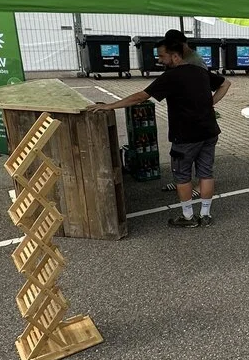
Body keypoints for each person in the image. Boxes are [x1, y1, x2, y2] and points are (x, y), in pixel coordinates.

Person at [89, 36, 230, 228]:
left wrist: (110, 106)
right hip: (209, 132)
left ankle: (188, 217)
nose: (159, 60)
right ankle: (205, 215)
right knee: (206, 173)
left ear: (175, 57)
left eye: (162, 56)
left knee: (182, 176)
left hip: (186, 136)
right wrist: (209, 103)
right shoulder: (200, 71)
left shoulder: (171, 76)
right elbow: (225, 84)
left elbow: (140, 97)